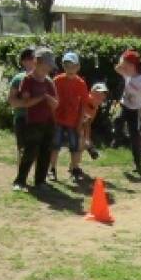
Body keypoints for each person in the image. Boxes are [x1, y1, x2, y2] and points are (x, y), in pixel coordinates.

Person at [12, 48, 58, 193]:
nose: (49, 68)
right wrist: (41, 97)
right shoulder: (27, 80)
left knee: (45, 152)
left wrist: (48, 98)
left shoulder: (49, 82)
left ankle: (40, 181)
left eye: (50, 66)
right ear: (37, 62)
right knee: (30, 152)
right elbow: (26, 102)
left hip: (49, 122)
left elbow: (56, 104)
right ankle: (20, 180)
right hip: (33, 122)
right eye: (47, 65)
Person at [114, 48, 141, 176]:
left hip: (135, 111)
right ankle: (118, 139)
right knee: (117, 120)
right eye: (124, 65)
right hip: (124, 105)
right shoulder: (126, 74)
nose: (124, 68)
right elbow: (116, 68)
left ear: (133, 66)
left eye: (127, 65)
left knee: (135, 137)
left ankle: (138, 164)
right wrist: (123, 59)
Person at [53, 50, 89, 182]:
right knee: (55, 145)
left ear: (78, 67)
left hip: (73, 121)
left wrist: (80, 123)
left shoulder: (81, 83)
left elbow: (84, 104)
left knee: (74, 146)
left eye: (72, 65)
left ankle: (74, 169)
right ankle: (52, 169)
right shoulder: (57, 80)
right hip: (57, 119)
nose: (69, 68)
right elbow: (51, 98)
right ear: (63, 66)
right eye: (66, 65)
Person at [6, 46, 36, 160]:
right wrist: (28, 104)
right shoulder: (18, 79)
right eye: (30, 58)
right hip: (22, 118)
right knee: (23, 149)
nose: (33, 61)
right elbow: (11, 100)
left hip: (39, 119)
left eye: (34, 58)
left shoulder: (43, 78)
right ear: (23, 61)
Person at [81, 82, 108, 163]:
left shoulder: (95, 107)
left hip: (82, 128)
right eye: (98, 94)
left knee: (82, 143)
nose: (101, 96)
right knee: (80, 142)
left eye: (103, 94)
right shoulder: (84, 101)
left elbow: (88, 123)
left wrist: (87, 138)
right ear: (91, 93)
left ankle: (74, 166)